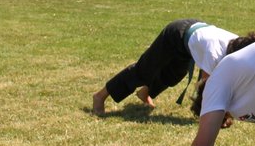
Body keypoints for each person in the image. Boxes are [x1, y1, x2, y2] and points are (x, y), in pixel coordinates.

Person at [93, 19, 239, 114]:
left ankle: (145, 93)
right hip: (176, 33)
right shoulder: (215, 53)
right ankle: (100, 96)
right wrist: (215, 115)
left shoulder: (239, 45)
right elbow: (205, 87)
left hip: (191, 41)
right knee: (143, 71)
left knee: (174, 75)